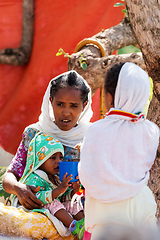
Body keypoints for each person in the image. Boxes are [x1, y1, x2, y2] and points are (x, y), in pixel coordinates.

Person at [79, 62, 160, 240]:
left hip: (100, 214)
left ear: (108, 97)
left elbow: (85, 175)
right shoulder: (151, 131)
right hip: (140, 208)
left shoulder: (95, 130)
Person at [3, 70, 93, 211]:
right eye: (60, 104)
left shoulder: (92, 138)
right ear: (50, 102)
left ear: (84, 105)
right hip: (34, 212)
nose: (66, 112)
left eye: (74, 106)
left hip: (79, 215)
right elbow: (10, 175)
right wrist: (19, 189)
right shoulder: (35, 134)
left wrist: (81, 189)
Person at [12, 132, 85, 239]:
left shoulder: (54, 178)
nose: (58, 161)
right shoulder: (34, 177)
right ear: (40, 159)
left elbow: (62, 198)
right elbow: (37, 197)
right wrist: (59, 190)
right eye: (53, 158)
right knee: (53, 203)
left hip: (56, 209)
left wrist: (73, 192)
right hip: (36, 208)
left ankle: (84, 226)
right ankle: (74, 226)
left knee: (72, 202)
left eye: (60, 158)